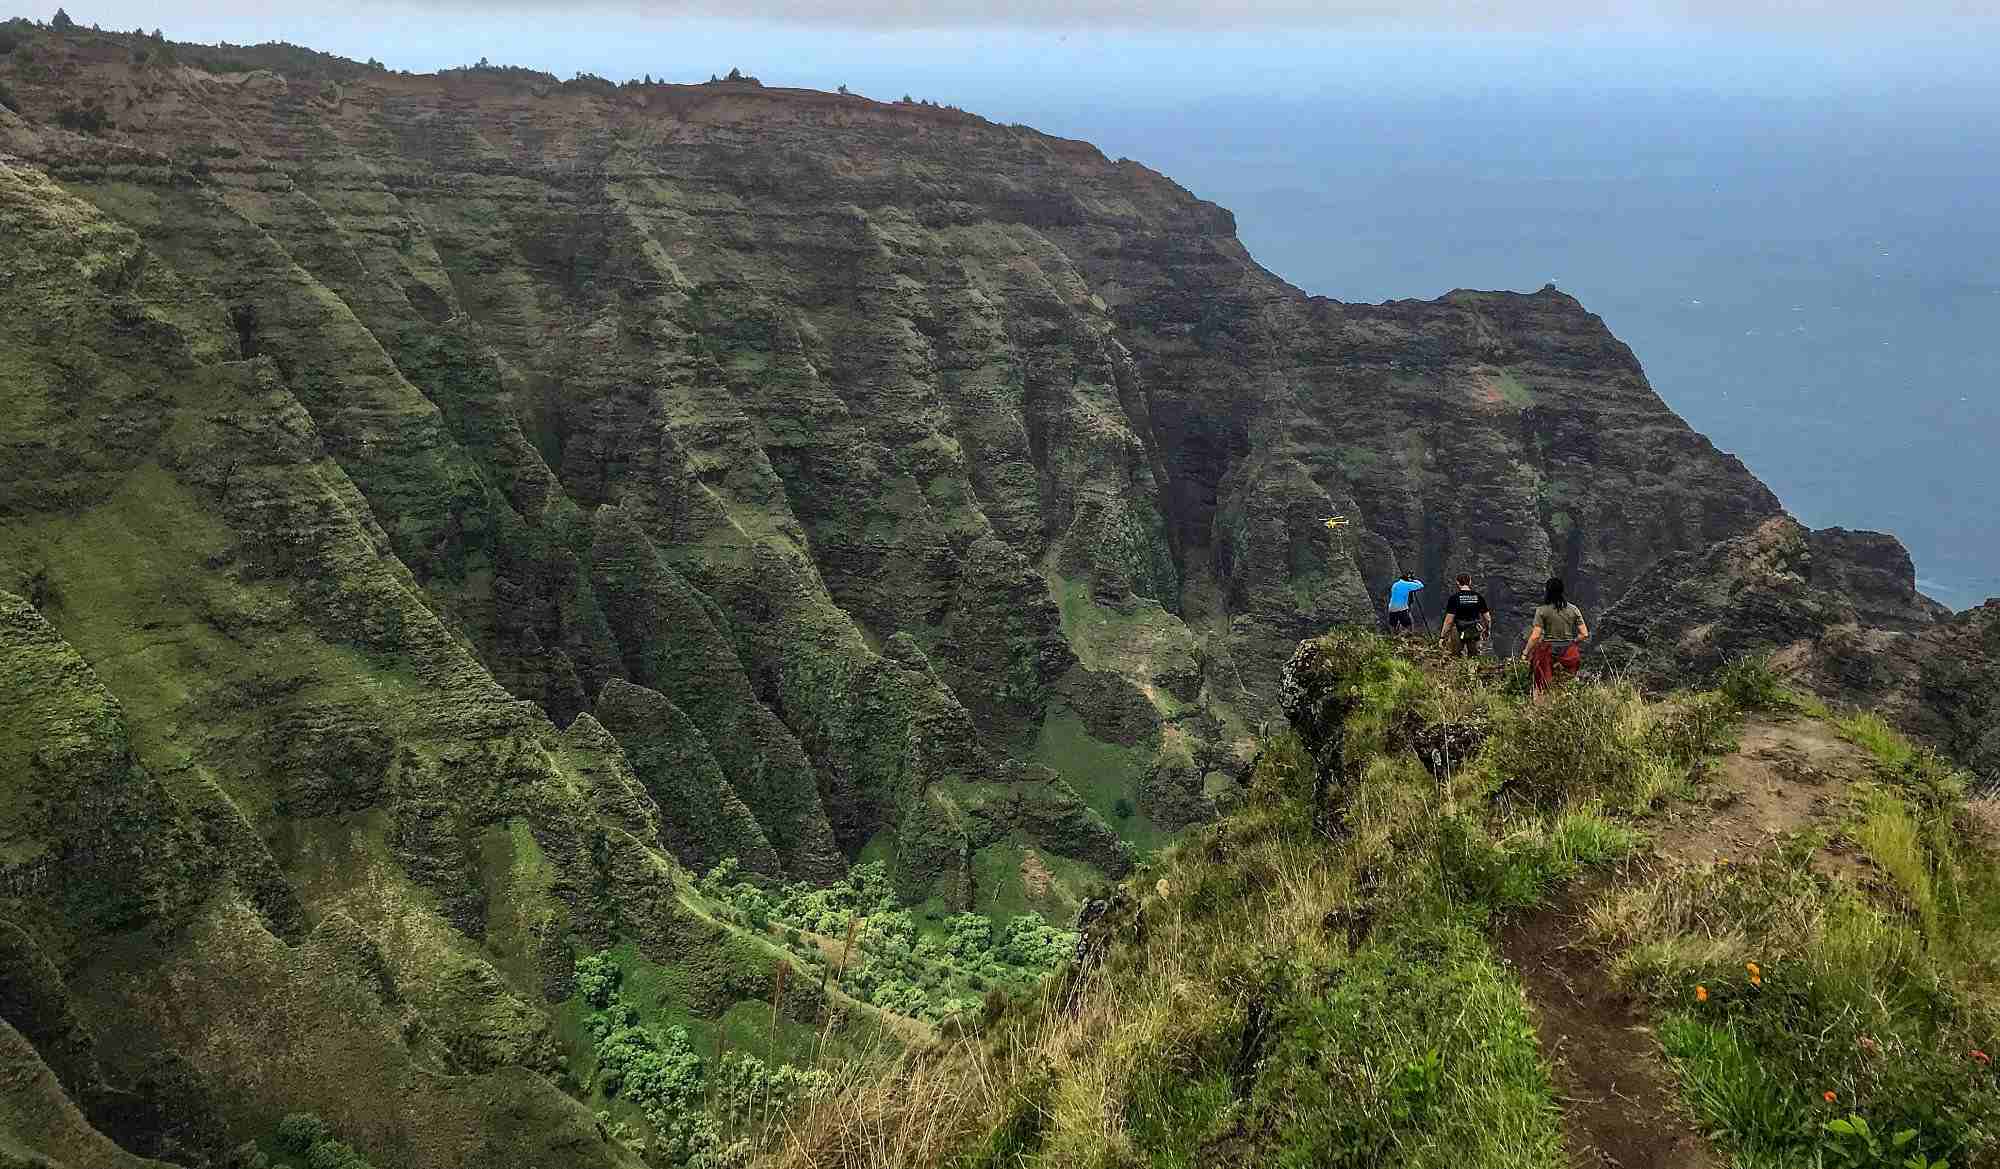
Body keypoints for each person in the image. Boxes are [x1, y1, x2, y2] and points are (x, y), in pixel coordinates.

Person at [1524, 577, 1589, 697]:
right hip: (1569, 653)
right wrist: (1573, 641)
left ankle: (1539, 710)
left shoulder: (1542, 610)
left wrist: (1525, 653)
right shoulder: (1574, 609)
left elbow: (1535, 636)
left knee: (1540, 686)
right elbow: (1584, 634)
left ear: (1547, 591)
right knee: (1567, 687)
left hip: (1547, 652)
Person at [1439, 574, 1492, 658]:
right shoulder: (1478, 597)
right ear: (1470, 582)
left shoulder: (1454, 598)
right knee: (1474, 656)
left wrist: (1442, 636)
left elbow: (1449, 620)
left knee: (1455, 656)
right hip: (1474, 630)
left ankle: (1459, 670)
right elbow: (1487, 618)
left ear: (1457, 583)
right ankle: (1472, 670)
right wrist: (1487, 630)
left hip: (1458, 630)